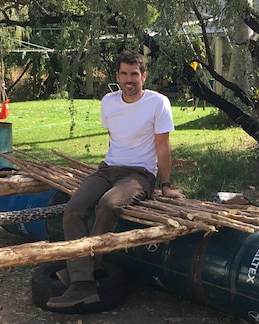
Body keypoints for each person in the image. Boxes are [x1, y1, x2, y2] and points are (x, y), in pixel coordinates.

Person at [47, 50, 185, 309]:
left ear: (144, 76)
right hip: (107, 169)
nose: (129, 79)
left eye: (134, 74)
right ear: (117, 76)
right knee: (74, 209)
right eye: (124, 74)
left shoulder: (158, 103)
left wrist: (165, 186)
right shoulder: (108, 102)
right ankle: (83, 276)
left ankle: (81, 283)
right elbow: (114, 137)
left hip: (140, 174)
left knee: (109, 204)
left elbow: (163, 147)